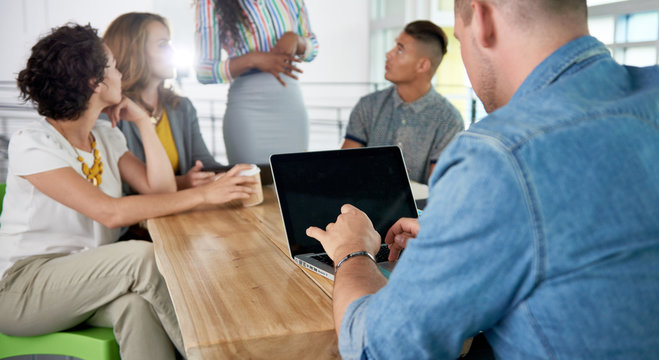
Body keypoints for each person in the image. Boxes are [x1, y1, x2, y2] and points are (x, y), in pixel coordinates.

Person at [306, 1, 659, 359]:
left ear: (484, 18)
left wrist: (352, 252)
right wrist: (459, 235)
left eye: (460, 40)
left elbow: (378, 349)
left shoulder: (497, 153)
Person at [0, 23, 256, 360]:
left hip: (87, 278)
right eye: (114, 67)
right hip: (24, 289)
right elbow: (110, 211)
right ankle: (219, 356)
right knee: (142, 256)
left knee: (137, 307)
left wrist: (142, 124)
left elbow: (159, 193)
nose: (121, 74)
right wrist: (206, 194)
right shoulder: (33, 143)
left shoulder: (106, 137)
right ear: (96, 82)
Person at [104, 12, 221, 192]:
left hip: (184, 210)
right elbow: (122, 188)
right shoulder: (111, 111)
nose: (173, 52)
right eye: (163, 45)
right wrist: (183, 183)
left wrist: (237, 173)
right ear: (134, 52)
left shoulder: (181, 107)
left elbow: (205, 164)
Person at [194, 0, 319, 164]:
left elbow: (313, 47)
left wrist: (297, 41)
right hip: (248, 111)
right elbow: (204, 71)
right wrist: (253, 59)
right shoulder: (210, 3)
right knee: (249, 184)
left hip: (290, 107)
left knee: (293, 180)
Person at [341, 20, 463, 184]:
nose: (388, 54)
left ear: (422, 65)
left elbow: (439, 189)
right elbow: (344, 168)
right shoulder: (368, 106)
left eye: (400, 49)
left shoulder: (449, 121)